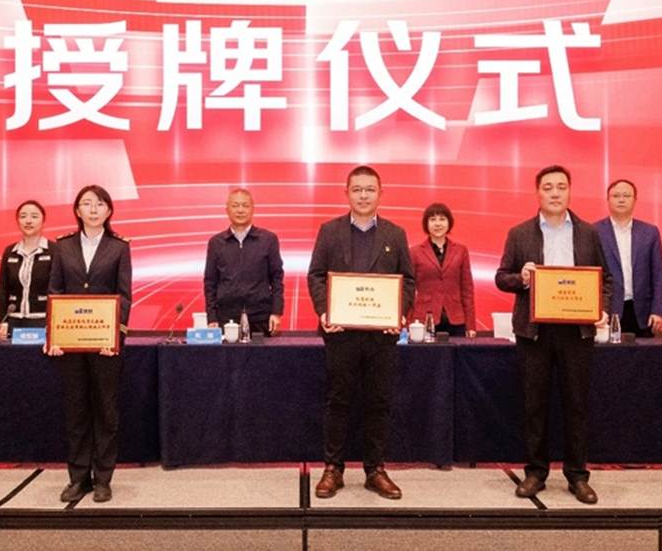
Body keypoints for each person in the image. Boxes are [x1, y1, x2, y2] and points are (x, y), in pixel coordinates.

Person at [495, 165, 611, 504]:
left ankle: (577, 475)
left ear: (570, 191)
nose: (555, 193)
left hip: (577, 331)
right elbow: (501, 277)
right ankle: (535, 472)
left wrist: (602, 308)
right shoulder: (519, 233)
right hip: (535, 333)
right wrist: (521, 278)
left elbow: (605, 279)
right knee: (535, 404)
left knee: (576, 404)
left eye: (561, 186)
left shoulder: (589, 233)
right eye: (548, 187)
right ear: (538, 193)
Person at [308, 165, 416, 500]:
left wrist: (399, 313)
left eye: (370, 189)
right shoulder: (329, 231)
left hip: (381, 336)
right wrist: (325, 311)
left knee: (379, 401)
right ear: (347, 194)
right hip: (341, 333)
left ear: (380, 194)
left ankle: (375, 469)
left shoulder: (395, 234)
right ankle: (333, 468)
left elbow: (408, 281)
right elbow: (316, 275)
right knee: (338, 400)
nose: (364, 195)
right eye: (357, 189)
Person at [48, 185, 132, 503]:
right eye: (86, 203)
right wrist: (54, 337)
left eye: (99, 204)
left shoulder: (119, 247)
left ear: (109, 210)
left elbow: (124, 295)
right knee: (76, 412)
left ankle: (103, 478)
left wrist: (115, 337)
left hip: (105, 345)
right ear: (77, 210)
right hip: (70, 343)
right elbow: (55, 292)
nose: (93, 209)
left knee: (106, 411)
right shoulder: (62, 246)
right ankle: (78, 477)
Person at [203, 188, 284, 335]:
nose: (240, 210)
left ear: (253, 209)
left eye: (245, 205)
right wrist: (212, 317)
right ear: (227, 210)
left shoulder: (268, 240)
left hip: (261, 318)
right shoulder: (216, 243)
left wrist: (276, 312)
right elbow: (210, 283)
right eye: (235, 205)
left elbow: (277, 278)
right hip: (226, 319)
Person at [594, 179, 662, 338]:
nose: (621, 199)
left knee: (643, 353)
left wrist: (659, 310)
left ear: (635, 200)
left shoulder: (650, 232)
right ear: (607, 200)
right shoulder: (594, 231)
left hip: (642, 311)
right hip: (606, 311)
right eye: (616, 196)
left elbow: (658, 274)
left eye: (626, 196)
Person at [409, 202, 477, 337]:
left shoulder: (461, 251)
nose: (438, 224)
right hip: (424, 318)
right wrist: (407, 323)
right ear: (426, 224)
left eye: (442, 219)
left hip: (456, 319)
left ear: (449, 222)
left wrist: (471, 325)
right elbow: (409, 289)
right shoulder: (414, 252)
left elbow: (467, 290)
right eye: (433, 219)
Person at [0, 200, 56, 338]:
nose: (28, 221)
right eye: (23, 216)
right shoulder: (10, 251)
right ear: (18, 221)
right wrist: (2, 321)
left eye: (34, 216)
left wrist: (55, 322)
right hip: (14, 321)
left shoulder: (55, 251)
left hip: (44, 322)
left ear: (43, 221)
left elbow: (59, 290)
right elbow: (3, 289)